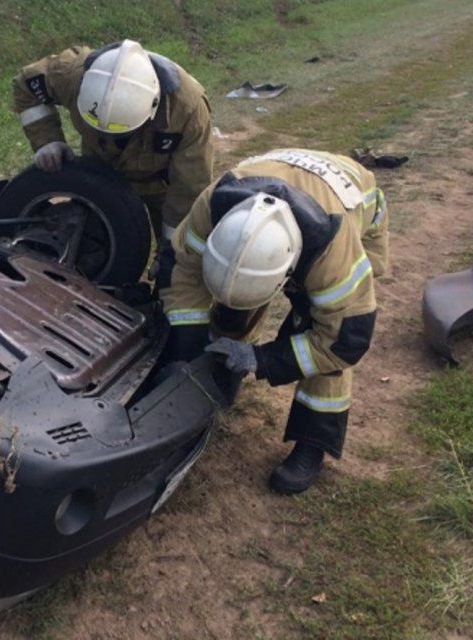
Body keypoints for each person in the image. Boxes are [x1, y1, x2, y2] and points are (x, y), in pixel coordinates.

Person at [159, 149, 390, 494]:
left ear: (287, 275)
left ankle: (312, 443)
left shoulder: (334, 256)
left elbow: (342, 341)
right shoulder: (212, 206)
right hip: (287, 179)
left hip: (357, 209)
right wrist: (187, 349)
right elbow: (184, 272)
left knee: (319, 339)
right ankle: (224, 369)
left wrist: (263, 359)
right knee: (232, 308)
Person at [12, 39, 213, 240]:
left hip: (159, 182)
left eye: (119, 131)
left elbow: (189, 188)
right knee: (94, 239)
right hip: (100, 172)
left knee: (175, 240)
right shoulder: (71, 74)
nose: (109, 139)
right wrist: (47, 140)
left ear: (152, 107)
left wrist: (173, 247)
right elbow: (26, 83)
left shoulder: (188, 110)